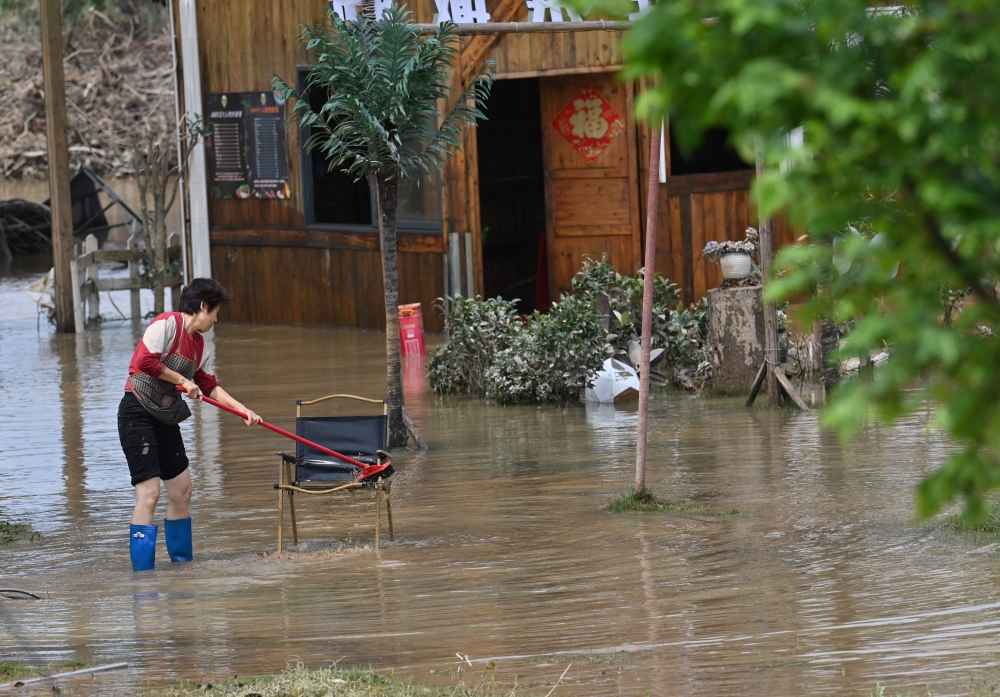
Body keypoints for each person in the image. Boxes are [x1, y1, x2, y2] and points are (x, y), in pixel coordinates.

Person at [118, 278, 261, 572]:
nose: (216, 319)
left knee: (182, 491)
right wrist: (183, 380)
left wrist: (242, 409)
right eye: (216, 312)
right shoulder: (166, 325)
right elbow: (145, 361)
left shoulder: (199, 345)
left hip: (166, 416)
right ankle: (143, 578)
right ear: (203, 306)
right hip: (137, 413)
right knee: (150, 494)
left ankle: (182, 571)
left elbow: (207, 385)